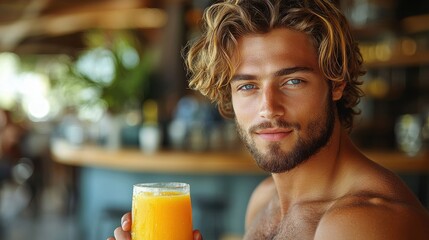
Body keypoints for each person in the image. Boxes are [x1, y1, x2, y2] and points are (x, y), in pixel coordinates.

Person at [108, 0, 429, 239]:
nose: (268, 108)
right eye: (248, 86)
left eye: (292, 81)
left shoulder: (362, 223)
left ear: (337, 82)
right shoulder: (264, 200)